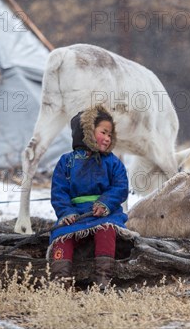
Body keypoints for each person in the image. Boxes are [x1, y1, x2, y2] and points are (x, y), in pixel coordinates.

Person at [47, 105, 129, 290]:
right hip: (75, 216)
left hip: (104, 214)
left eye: (110, 134)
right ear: (87, 132)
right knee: (61, 236)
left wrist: (105, 203)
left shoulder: (112, 162)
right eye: (103, 132)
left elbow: (120, 186)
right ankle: (61, 281)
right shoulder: (66, 162)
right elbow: (59, 191)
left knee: (106, 230)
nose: (108, 139)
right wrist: (66, 212)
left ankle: (102, 279)